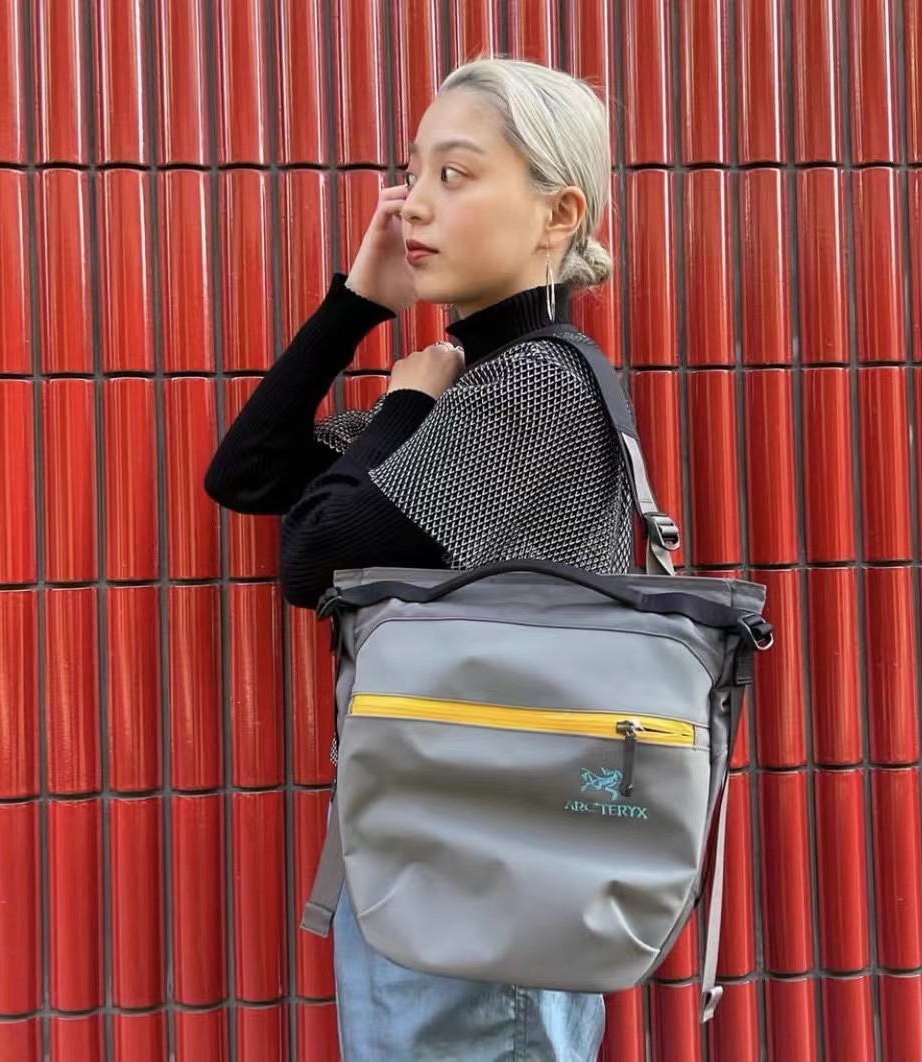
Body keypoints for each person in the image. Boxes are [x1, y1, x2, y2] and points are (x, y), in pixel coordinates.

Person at [204, 55, 632, 1062]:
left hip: (484, 873)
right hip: (450, 850)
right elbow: (250, 474)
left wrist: (402, 403)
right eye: (411, 174)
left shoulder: (530, 389)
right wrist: (357, 303)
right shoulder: (467, 388)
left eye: (456, 173)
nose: (415, 206)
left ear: (558, 213)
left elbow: (312, 558)